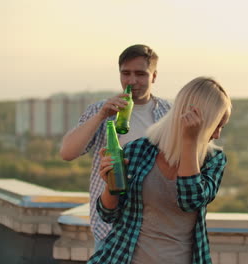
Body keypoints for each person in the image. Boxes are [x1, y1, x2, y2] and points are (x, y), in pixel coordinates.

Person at [87, 77, 232, 264]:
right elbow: (108, 215)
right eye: (216, 125)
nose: (218, 134)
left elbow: (190, 201)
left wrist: (189, 142)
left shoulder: (213, 160)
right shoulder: (138, 150)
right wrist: (110, 185)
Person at [60, 44, 171, 250]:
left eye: (140, 74)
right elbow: (67, 152)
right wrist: (102, 115)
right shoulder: (100, 109)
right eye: (125, 74)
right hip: (110, 227)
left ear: (154, 76)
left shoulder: (168, 113)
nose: (132, 81)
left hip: (154, 225)